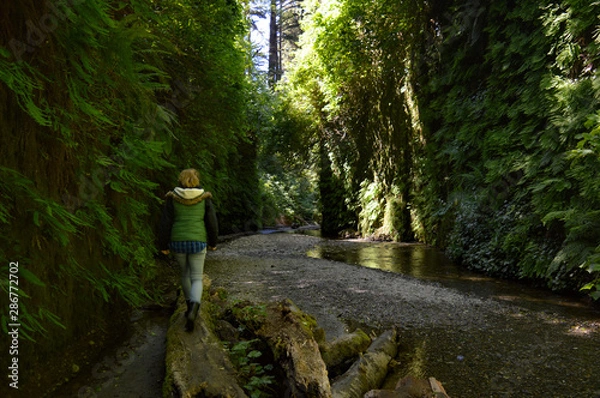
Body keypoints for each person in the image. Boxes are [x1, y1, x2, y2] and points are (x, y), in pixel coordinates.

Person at [158, 168, 218, 332]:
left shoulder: (172, 197)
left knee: (184, 274)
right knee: (197, 278)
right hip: (198, 241)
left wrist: (163, 245)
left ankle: (189, 305)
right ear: (196, 180)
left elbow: (166, 222)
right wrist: (213, 242)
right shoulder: (204, 197)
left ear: (181, 180)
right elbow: (211, 221)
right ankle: (194, 310)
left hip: (177, 241)